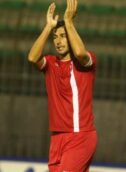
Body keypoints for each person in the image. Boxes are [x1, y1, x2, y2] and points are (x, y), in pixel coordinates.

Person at [27, 0, 97, 171]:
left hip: (79, 136)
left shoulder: (85, 62)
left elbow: (80, 52)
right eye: (55, 37)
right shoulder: (51, 63)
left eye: (63, 36)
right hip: (57, 139)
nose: (58, 41)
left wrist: (69, 21)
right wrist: (48, 27)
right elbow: (32, 58)